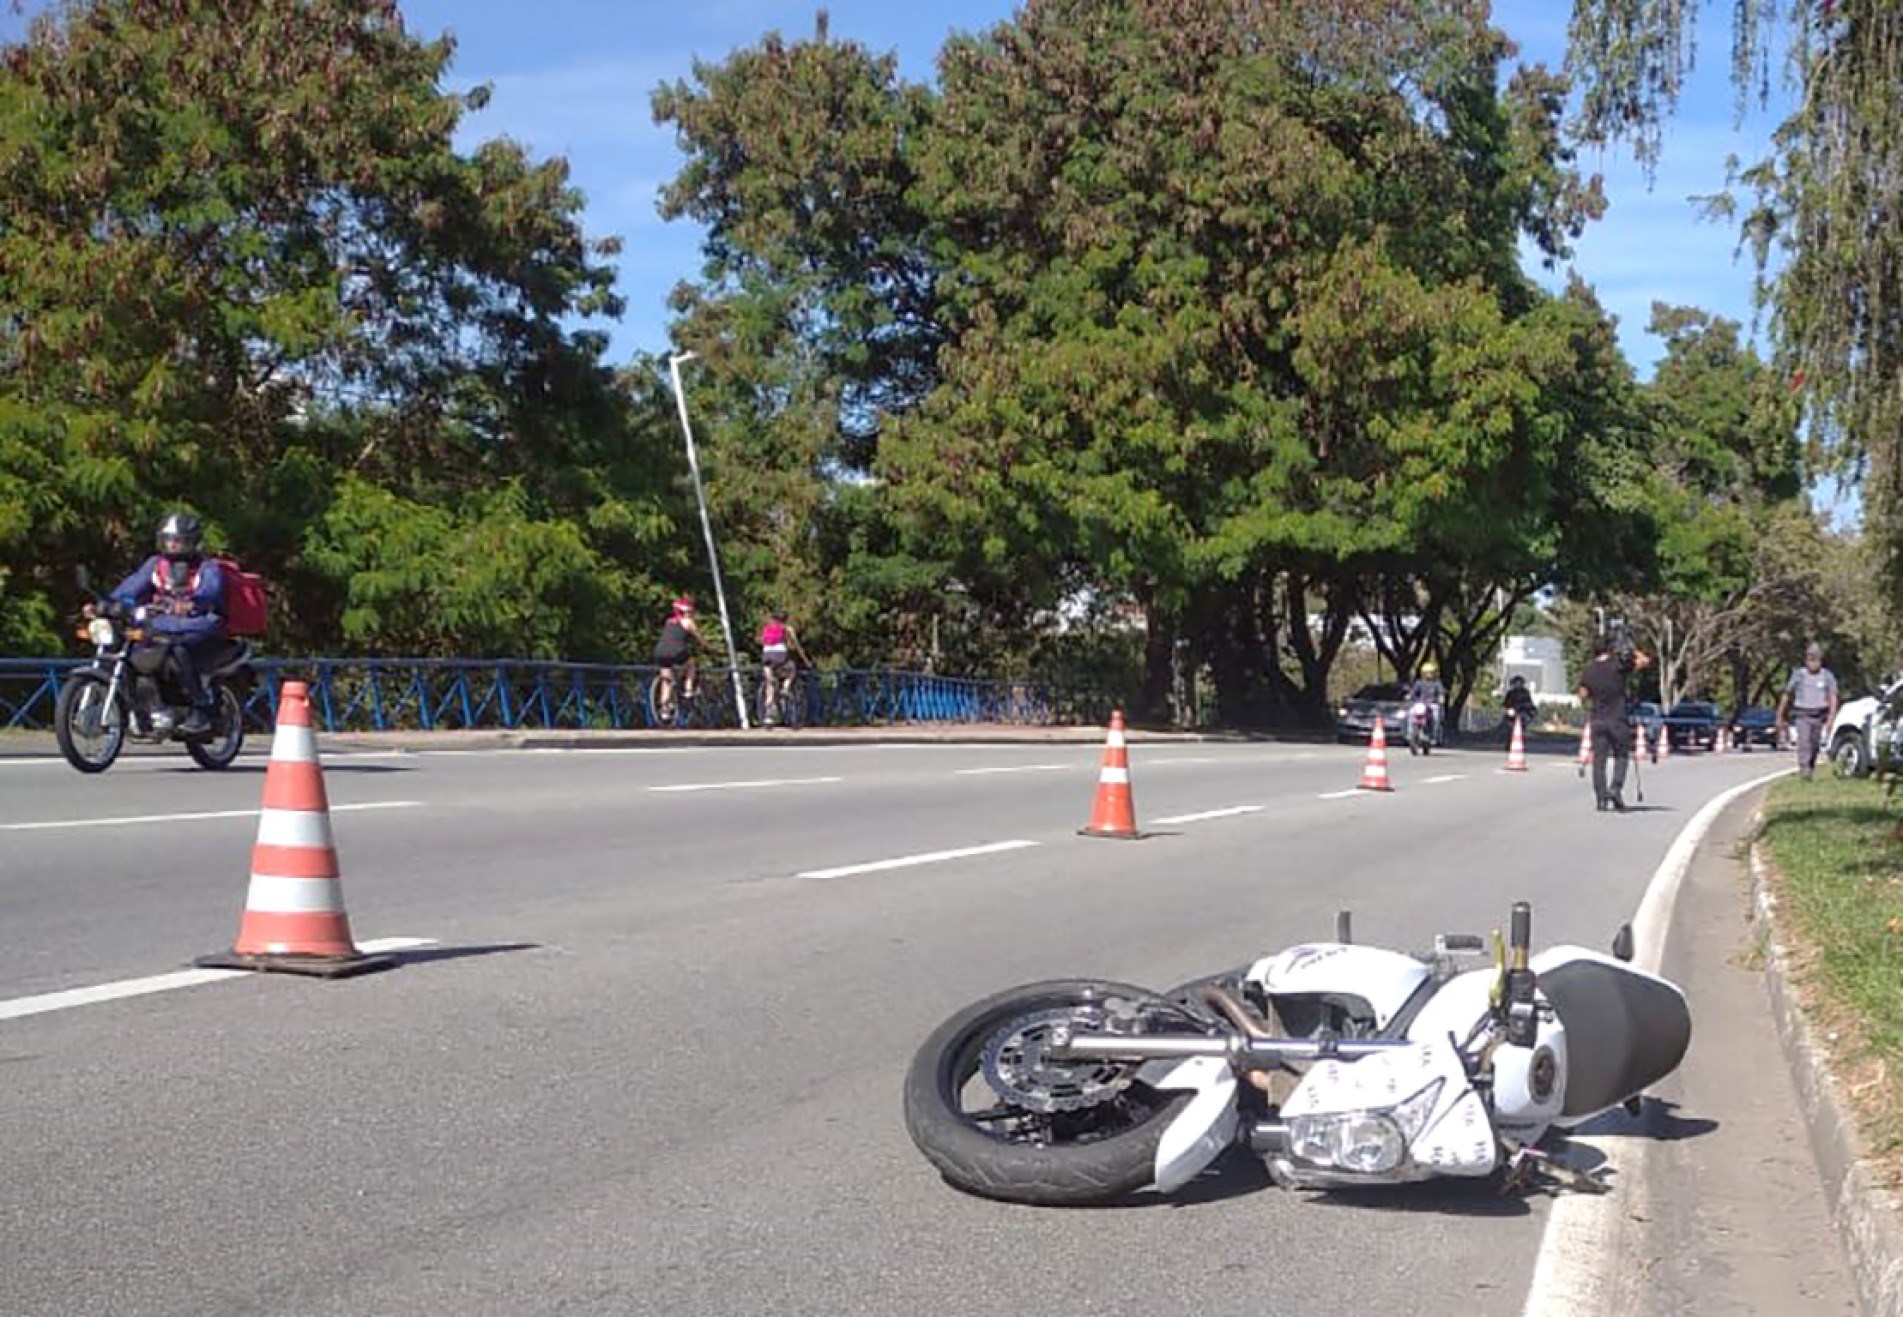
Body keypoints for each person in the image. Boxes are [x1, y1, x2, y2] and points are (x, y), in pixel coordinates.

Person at [111, 511, 227, 735]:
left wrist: (193, 604)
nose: (173, 545)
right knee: (131, 649)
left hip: (198, 625)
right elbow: (133, 586)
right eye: (169, 539)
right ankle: (146, 707)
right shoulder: (155, 565)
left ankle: (200, 709)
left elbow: (211, 592)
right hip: (161, 625)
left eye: (179, 540)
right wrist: (108, 603)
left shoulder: (207, 567)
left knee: (178, 650)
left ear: (192, 541)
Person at [1576, 629, 1653, 813]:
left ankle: (1601, 799)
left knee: (1599, 761)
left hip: (1598, 719)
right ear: (1610, 649)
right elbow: (1645, 662)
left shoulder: (1589, 670)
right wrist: (1631, 649)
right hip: (1618, 718)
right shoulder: (1617, 665)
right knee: (1621, 755)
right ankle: (1616, 788)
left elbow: (1583, 694)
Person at [1776, 642, 1841, 780]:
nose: (1813, 663)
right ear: (1806, 660)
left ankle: (1810, 765)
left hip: (1819, 715)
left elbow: (1833, 696)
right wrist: (1780, 715)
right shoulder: (1799, 675)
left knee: (1815, 744)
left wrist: (1831, 717)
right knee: (1804, 743)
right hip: (1802, 714)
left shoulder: (1827, 676)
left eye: (1816, 659)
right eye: (1810, 659)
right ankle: (1804, 770)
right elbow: (1787, 694)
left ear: (1820, 660)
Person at [759, 609, 811, 726]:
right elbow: (797, 647)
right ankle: (786, 688)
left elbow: (762, 641)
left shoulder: (767, 628)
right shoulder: (787, 628)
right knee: (791, 670)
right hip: (780, 653)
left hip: (767, 653)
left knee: (769, 683)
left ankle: (768, 715)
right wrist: (806, 660)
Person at [652, 595, 702, 716]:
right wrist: (710, 647)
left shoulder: (669, 621)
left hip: (660, 651)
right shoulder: (688, 622)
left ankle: (664, 709)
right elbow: (699, 638)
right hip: (677, 651)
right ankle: (688, 689)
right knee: (691, 663)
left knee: (666, 680)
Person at [1407, 661, 1447, 745]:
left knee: (1436, 717)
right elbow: (1413, 692)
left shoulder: (1437, 683)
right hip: (1420, 704)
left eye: (1431, 672)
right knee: (1410, 713)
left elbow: (1441, 692)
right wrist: (1409, 696)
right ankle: (1410, 734)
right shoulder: (1419, 682)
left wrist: (1441, 698)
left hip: (1432, 704)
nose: (1429, 674)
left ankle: (1434, 736)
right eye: (1427, 672)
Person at [1503, 675, 1537, 743]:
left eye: (1519, 682)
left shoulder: (1525, 692)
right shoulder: (1510, 693)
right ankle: (1509, 733)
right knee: (1507, 719)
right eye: (1516, 682)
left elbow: (1529, 702)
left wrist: (1529, 707)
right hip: (1512, 710)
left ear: (1522, 683)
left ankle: (1523, 731)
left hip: (1522, 711)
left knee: (1526, 718)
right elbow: (1506, 703)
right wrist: (1508, 707)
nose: (1517, 684)